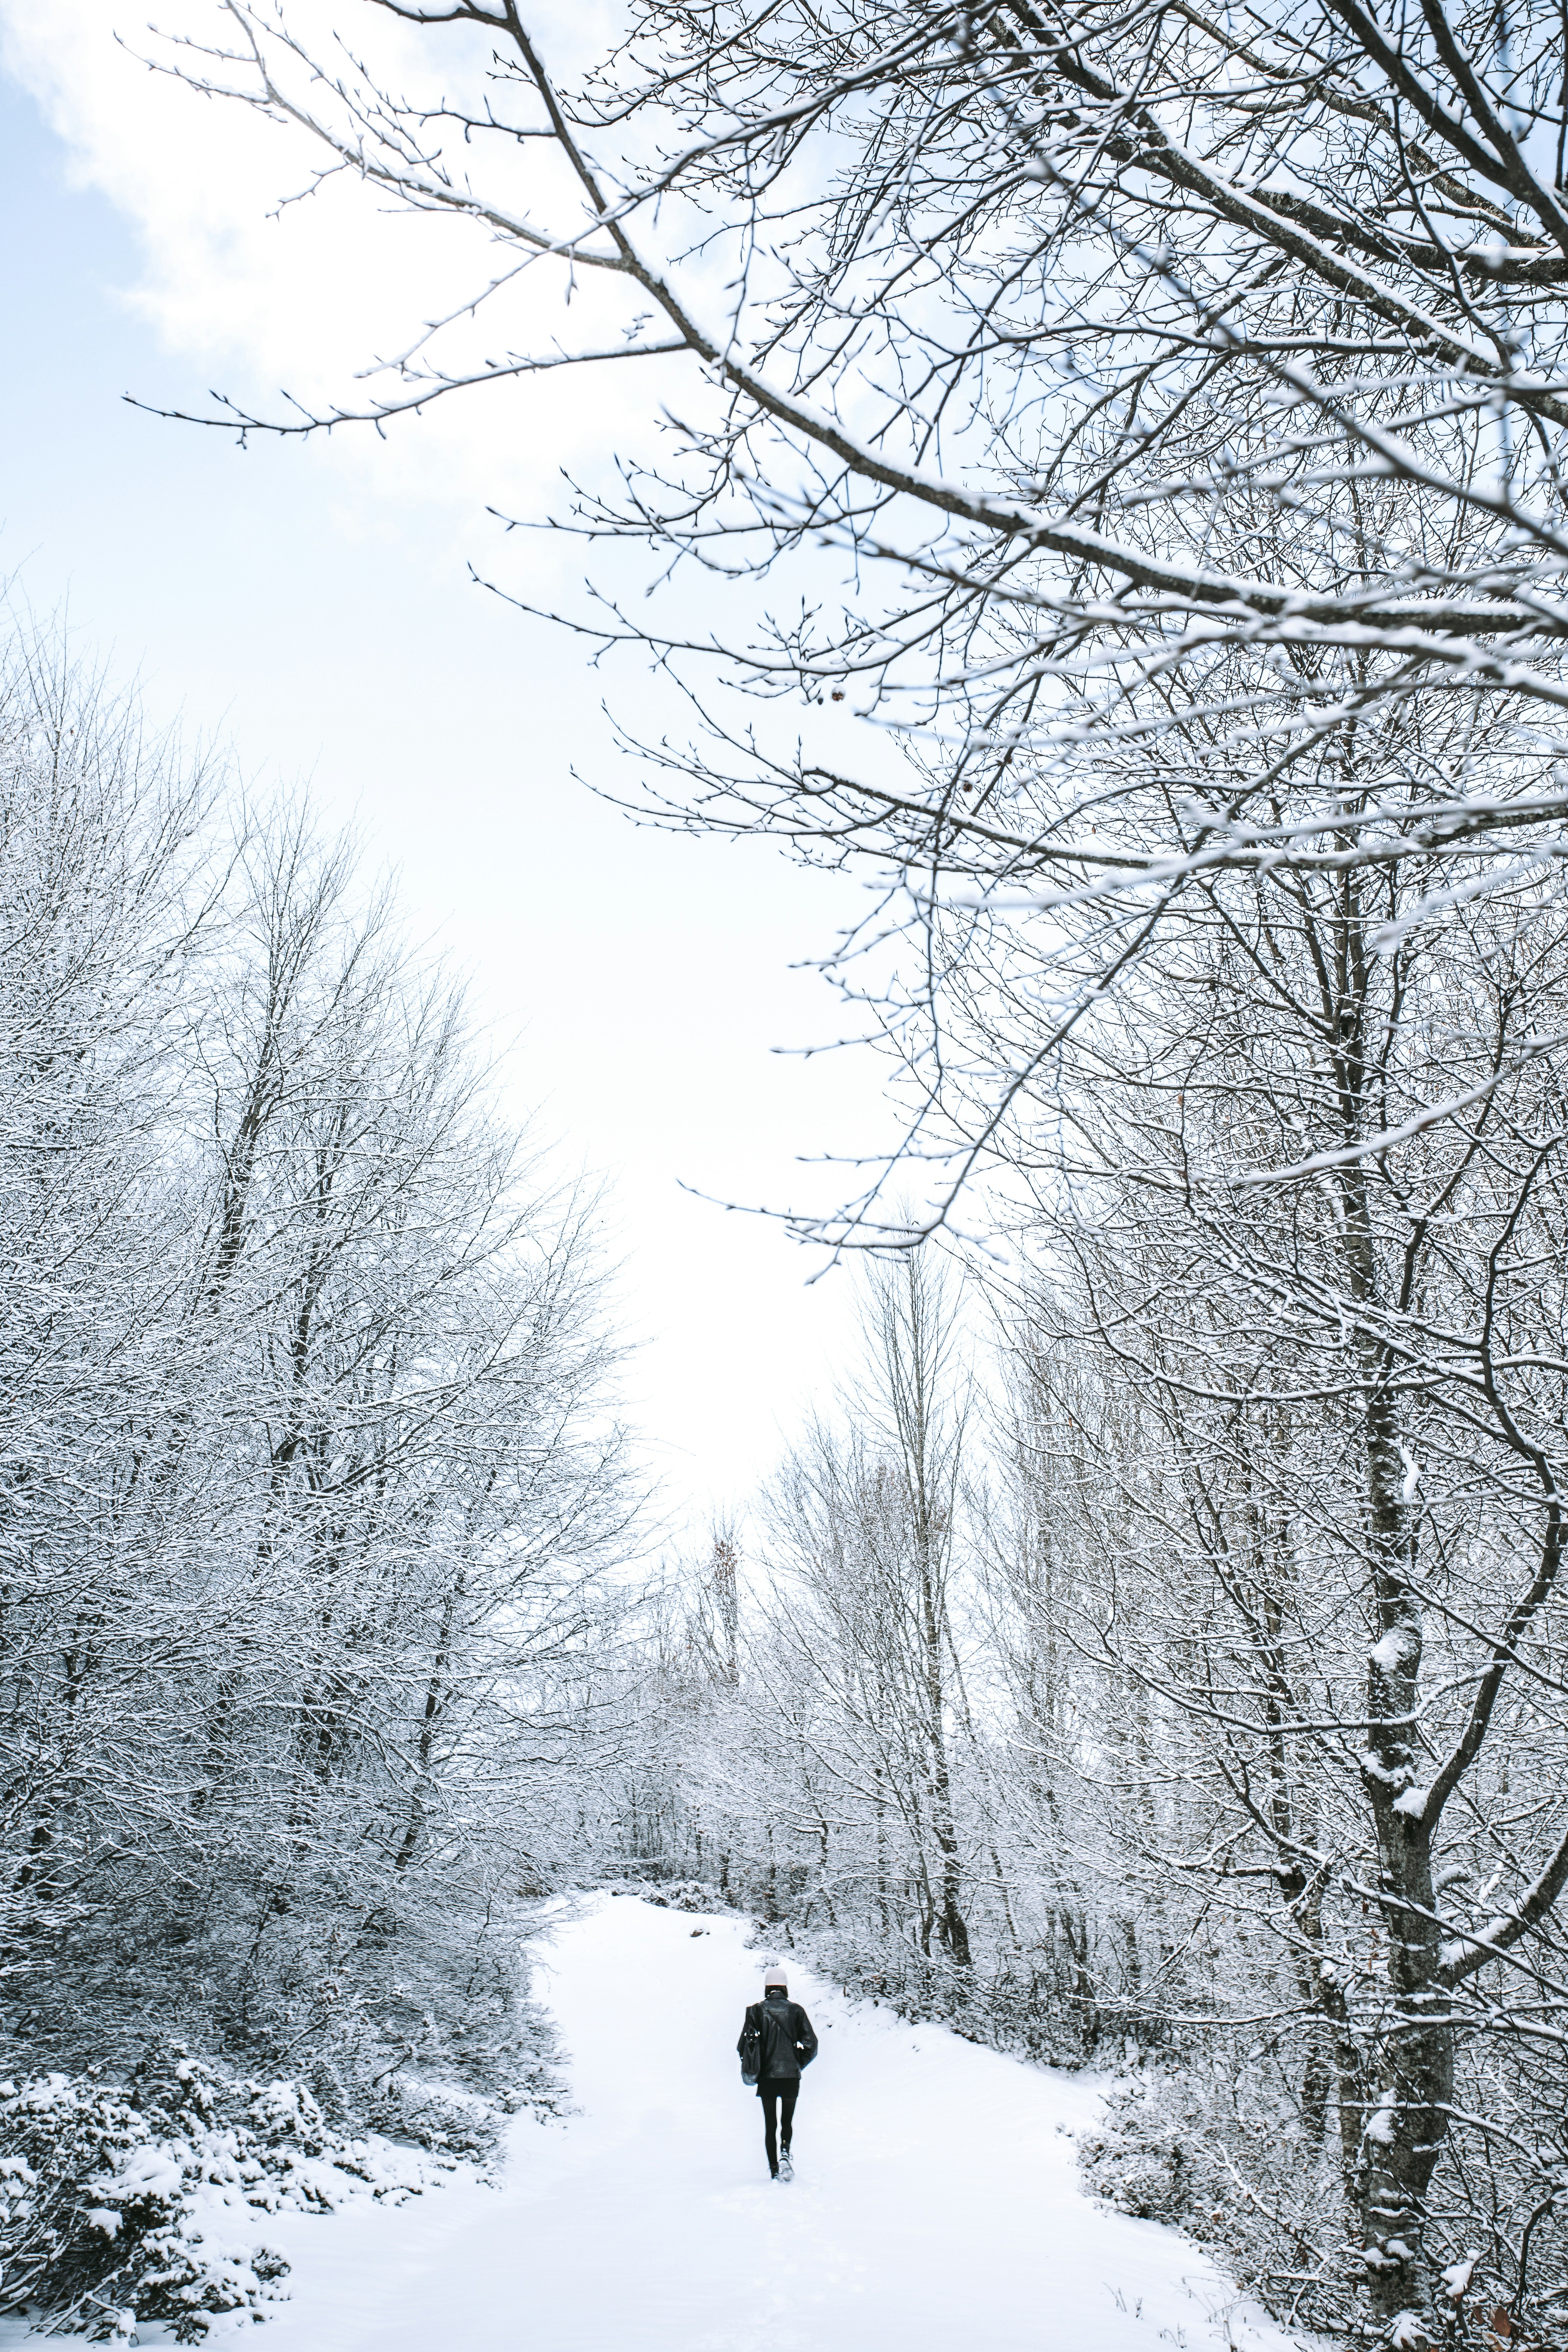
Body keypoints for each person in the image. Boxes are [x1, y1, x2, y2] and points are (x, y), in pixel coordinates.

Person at [737, 1968, 818, 2181]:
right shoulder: (796, 2011)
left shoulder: (756, 2011)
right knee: (787, 2122)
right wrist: (797, 2063)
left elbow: (742, 2047)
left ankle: (774, 2170)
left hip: (767, 2078)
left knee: (770, 2124)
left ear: (767, 1987)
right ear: (785, 1987)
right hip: (791, 2077)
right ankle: (785, 2150)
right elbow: (812, 2045)